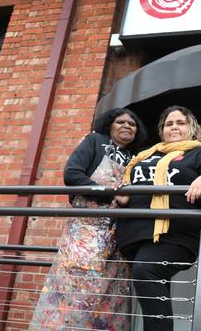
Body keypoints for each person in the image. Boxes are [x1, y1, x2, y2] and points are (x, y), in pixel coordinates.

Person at [30, 108, 147, 330]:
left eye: (132, 124)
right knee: (74, 290)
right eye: (120, 121)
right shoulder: (95, 141)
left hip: (118, 240)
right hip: (85, 231)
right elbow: (72, 175)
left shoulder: (138, 159)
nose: (127, 126)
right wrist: (111, 193)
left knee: (110, 297)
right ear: (109, 125)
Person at [115, 105, 201, 331]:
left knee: (146, 272)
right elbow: (129, 187)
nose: (174, 127)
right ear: (162, 130)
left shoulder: (200, 153)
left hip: (175, 235)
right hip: (135, 234)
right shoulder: (145, 155)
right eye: (169, 124)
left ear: (191, 128)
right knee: (153, 289)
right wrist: (123, 195)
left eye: (180, 123)